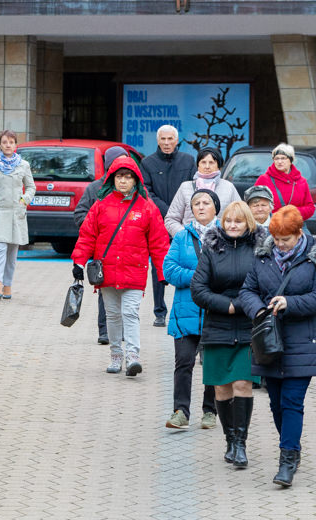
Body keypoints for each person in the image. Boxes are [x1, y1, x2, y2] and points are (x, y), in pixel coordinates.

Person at [238, 205, 316, 487]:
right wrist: (258, 309)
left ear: (299, 232)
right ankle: (291, 446)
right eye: (276, 239)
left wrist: (289, 303)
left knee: (292, 401)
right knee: (275, 403)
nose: (280, 244)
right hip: (268, 339)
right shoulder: (263, 255)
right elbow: (248, 290)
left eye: (286, 239)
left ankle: (287, 459)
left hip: (304, 339)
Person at [72, 157, 170, 376]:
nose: (123, 181)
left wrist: (163, 271)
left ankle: (132, 356)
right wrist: (79, 262)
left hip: (134, 271)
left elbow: (159, 242)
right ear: (111, 179)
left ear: (135, 180)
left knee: (130, 313)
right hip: (106, 271)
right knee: (113, 315)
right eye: (119, 176)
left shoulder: (147, 207)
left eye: (128, 177)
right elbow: (87, 236)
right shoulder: (101, 206)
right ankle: (116, 355)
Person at [191, 200, 267, 468]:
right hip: (218, 327)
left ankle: (241, 443)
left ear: (248, 223)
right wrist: (229, 305)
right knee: (221, 388)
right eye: (229, 221)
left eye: (239, 221)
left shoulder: (261, 249)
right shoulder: (211, 249)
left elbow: (267, 285)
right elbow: (198, 289)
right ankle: (230, 440)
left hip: (249, 327)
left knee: (243, 384)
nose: (233, 226)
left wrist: (246, 305)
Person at [162, 190, 219, 431]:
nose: (201, 207)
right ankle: (180, 411)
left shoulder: (226, 236)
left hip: (216, 310)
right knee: (183, 362)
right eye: (196, 203)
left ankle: (210, 411)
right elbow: (169, 269)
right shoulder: (182, 237)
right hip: (185, 311)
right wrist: (197, 276)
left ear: (216, 208)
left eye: (206, 203)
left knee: (213, 363)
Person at [74, 146, 132, 345]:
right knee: (105, 293)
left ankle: (122, 330)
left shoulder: (134, 189)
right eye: (119, 160)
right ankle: (104, 331)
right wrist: (96, 229)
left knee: (126, 292)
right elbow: (80, 214)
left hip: (127, 251)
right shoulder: (94, 189)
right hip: (104, 251)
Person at [141, 125, 196, 327]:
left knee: (189, 264)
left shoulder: (188, 161)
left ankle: (188, 308)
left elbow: (194, 187)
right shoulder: (147, 163)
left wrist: (181, 212)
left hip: (184, 223)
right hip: (159, 222)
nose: (166, 143)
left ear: (176, 140)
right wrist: (168, 210)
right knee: (159, 267)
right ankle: (159, 312)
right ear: (157, 140)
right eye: (163, 139)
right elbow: (146, 191)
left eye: (170, 139)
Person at [0, 129, 36, 300]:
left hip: (16, 213)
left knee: (12, 252)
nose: (8, 145)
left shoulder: (23, 165)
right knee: (0, 248)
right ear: (0, 144)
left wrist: (24, 200)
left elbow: (31, 187)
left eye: (11, 142)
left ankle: (8, 285)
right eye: (5, 142)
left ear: (15, 145)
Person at [164, 147, 241, 237]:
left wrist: (226, 236)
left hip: (220, 245)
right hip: (189, 246)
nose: (207, 166)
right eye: (203, 162)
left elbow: (241, 216)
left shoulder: (228, 187)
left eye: (211, 162)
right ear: (198, 165)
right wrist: (185, 236)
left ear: (218, 166)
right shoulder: (185, 187)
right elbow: (171, 219)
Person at [254, 143, 315, 220]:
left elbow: (310, 207)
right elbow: (254, 205)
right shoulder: (264, 180)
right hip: (272, 225)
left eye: (283, 158)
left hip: (295, 224)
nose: (279, 161)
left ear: (291, 160)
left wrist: (292, 213)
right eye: (276, 158)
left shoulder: (301, 182)